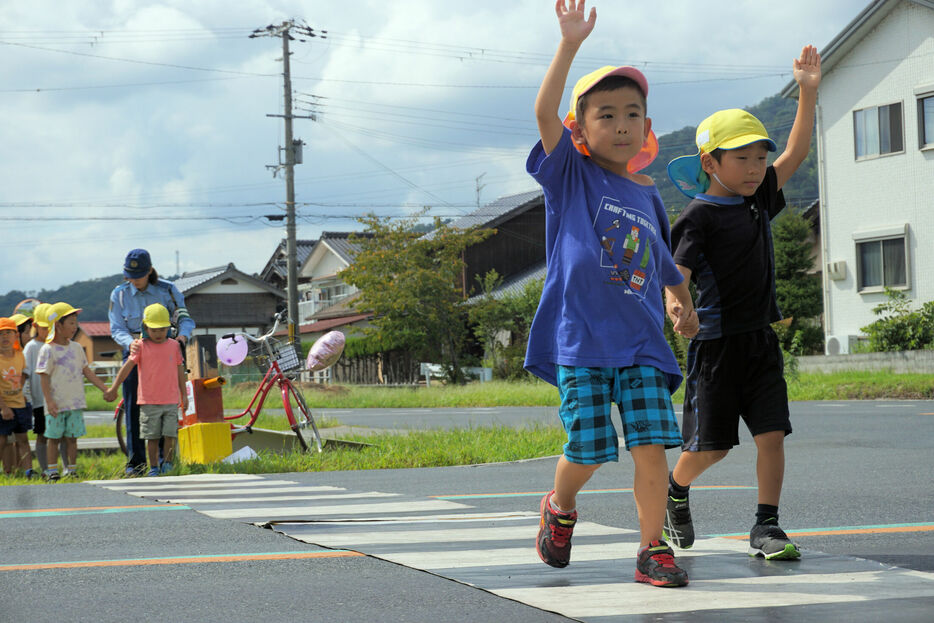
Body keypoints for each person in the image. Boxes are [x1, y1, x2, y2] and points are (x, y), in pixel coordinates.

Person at [525, 1, 698, 587]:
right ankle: (560, 505)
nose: (622, 124)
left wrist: (681, 302)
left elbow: (660, 257)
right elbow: (544, 109)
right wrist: (570, 44)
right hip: (581, 339)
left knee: (651, 445)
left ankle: (653, 548)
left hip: (645, 341)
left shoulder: (649, 193)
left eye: (633, 114)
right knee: (592, 448)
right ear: (580, 128)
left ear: (647, 129)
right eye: (606, 115)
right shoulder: (569, 175)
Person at [663, 46, 821, 560]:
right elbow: (675, 274)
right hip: (714, 346)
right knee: (710, 448)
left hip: (759, 339)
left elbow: (794, 154)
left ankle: (767, 526)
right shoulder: (697, 216)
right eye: (743, 158)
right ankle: (675, 493)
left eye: (759, 157)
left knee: (772, 435)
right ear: (711, 163)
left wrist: (808, 91)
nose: (756, 168)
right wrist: (679, 310)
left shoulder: (756, 199)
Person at [109, 248, 194, 476]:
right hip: (137, 350)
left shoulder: (168, 289)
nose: (133, 280)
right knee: (134, 409)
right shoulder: (119, 294)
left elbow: (184, 317)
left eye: (138, 276)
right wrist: (130, 343)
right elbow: (116, 327)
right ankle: (136, 463)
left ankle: (165, 463)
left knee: (167, 406)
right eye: (129, 275)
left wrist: (182, 337)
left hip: (166, 349)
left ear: (149, 272)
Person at [105, 304, 187, 477]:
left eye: (162, 329)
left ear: (168, 328)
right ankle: (154, 467)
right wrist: (113, 387)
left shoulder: (174, 346)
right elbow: (127, 367)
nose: (158, 333)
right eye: (153, 329)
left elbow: (180, 370)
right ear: (145, 327)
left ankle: (169, 465)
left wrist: (184, 395)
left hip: (171, 400)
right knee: (152, 436)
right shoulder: (141, 346)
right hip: (149, 401)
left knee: (170, 435)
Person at [36, 302, 110, 480]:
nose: (75, 326)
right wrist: (49, 401)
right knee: (53, 438)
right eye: (71, 322)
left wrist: (105, 389)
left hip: (74, 402)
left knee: (72, 438)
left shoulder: (76, 348)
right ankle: (52, 470)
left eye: (75, 322)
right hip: (55, 404)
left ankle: (71, 469)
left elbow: (87, 371)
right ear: (58, 326)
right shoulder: (47, 349)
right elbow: (43, 377)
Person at [22, 303, 63, 478]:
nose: (48, 331)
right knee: (42, 435)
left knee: (57, 435)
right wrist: (26, 395)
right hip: (39, 400)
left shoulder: (56, 345)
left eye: (51, 327)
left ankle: (56, 467)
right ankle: (45, 468)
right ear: (36, 326)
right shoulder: (31, 347)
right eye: (45, 327)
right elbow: (26, 373)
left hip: (57, 400)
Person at [0, 317, 32, 476]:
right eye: (1, 333)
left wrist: (20, 391)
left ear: (15, 336)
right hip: (3, 406)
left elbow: (23, 374)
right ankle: (6, 471)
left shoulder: (20, 355)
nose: (5, 337)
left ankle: (28, 471)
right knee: (2, 440)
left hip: (19, 404)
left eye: (8, 333)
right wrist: (3, 407)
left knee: (23, 439)